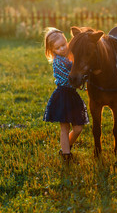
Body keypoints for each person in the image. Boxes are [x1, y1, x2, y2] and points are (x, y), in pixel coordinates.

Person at [43, 27, 89, 163]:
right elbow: (71, 79)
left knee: (78, 128)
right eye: (58, 48)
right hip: (62, 96)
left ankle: (66, 147)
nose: (62, 49)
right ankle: (66, 155)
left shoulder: (70, 56)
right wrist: (84, 83)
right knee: (64, 127)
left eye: (64, 45)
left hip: (73, 97)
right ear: (52, 51)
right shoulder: (59, 62)